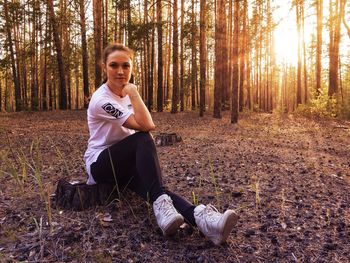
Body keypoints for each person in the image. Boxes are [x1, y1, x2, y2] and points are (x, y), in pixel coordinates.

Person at [84, 43, 238, 245]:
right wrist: (135, 93)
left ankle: (206, 222)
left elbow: (145, 122)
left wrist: (132, 95)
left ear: (131, 68)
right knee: (143, 138)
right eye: (114, 65)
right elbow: (147, 125)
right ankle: (163, 210)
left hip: (126, 164)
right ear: (104, 67)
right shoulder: (101, 99)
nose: (120, 71)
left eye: (126, 66)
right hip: (101, 165)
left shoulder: (128, 96)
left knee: (158, 190)